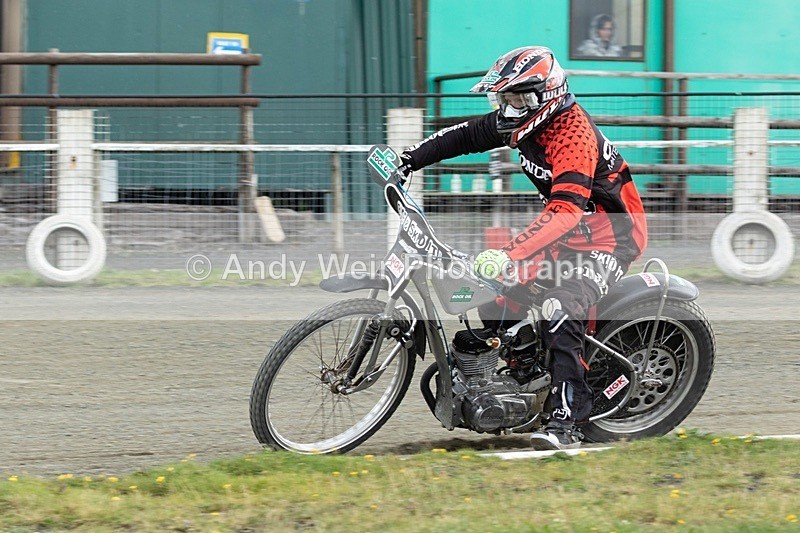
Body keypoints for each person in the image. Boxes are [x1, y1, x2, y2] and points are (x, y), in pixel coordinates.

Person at [396, 46, 647, 450]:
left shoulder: (573, 136)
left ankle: (568, 418)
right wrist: (409, 159)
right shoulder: (522, 121)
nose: (508, 109)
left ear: (544, 96)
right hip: (567, 232)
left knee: (560, 309)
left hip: (610, 237)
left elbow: (566, 208)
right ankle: (516, 375)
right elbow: (465, 136)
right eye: (504, 99)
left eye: (516, 99)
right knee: (490, 288)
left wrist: (510, 253)